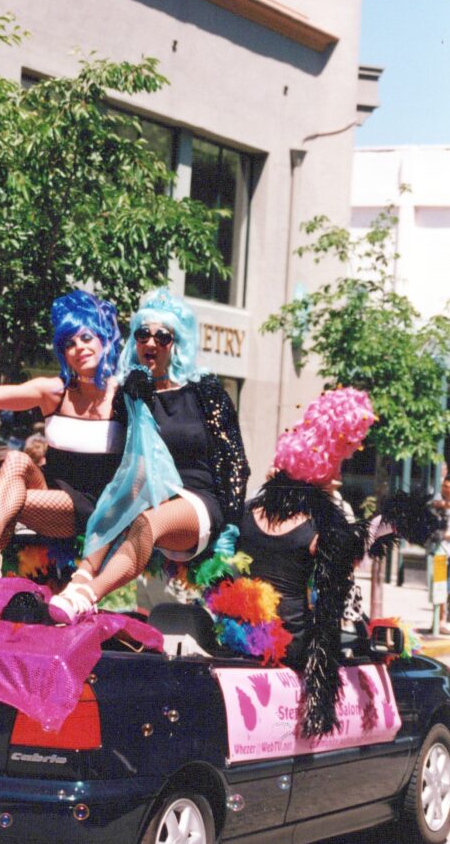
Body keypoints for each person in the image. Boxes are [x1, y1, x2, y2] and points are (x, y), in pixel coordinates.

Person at [48, 288, 250, 624]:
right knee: (129, 486)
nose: (151, 342)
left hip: (197, 500)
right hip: (151, 494)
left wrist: (230, 527)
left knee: (146, 521)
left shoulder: (205, 391)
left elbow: (234, 461)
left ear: (176, 343)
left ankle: (87, 595)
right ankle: (81, 576)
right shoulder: (132, 394)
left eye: (162, 336)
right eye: (143, 334)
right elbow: (118, 459)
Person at [208, 388, 373, 737]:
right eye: (337, 464)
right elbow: (333, 608)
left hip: (240, 638)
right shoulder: (322, 523)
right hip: (292, 648)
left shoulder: (248, 510)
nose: (341, 473)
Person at [0, 290, 123, 578]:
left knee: (8, 504)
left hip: (95, 507)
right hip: (50, 492)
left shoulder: (124, 394)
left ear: (103, 340)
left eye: (86, 337)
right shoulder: (54, 391)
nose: (79, 347)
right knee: (15, 459)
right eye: (69, 343)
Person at [430, 474, 450, 635]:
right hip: (441, 551)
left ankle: (443, 620)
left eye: (449, 488)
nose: (446, 490)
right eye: (444, 487)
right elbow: (434, 504)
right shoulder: (439, 501)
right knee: (439, 586)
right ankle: (438, 621)